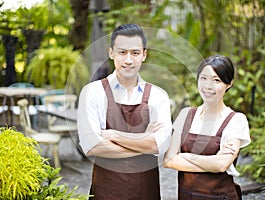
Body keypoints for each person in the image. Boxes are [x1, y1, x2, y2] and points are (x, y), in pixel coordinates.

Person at [77, 24, 172, 200]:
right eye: (122, 52)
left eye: (135, 53)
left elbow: (161, 145)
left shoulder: (159, 96)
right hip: (106, 191)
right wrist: (144, 142)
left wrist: (112, 134)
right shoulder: (92, 92)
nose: (128, 60)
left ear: (144, 55)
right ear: (111, 53)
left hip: (146, 191)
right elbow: (91, 146)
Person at [164, 55, 251, 200]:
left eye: (216, 80)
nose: (208, 86)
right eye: (203, 78)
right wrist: (211, 162)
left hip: (220, 196)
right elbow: (168, 161)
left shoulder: (236, 120)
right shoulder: (185, 115)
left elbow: (222, 165)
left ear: (229, 84)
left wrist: (185, 157)